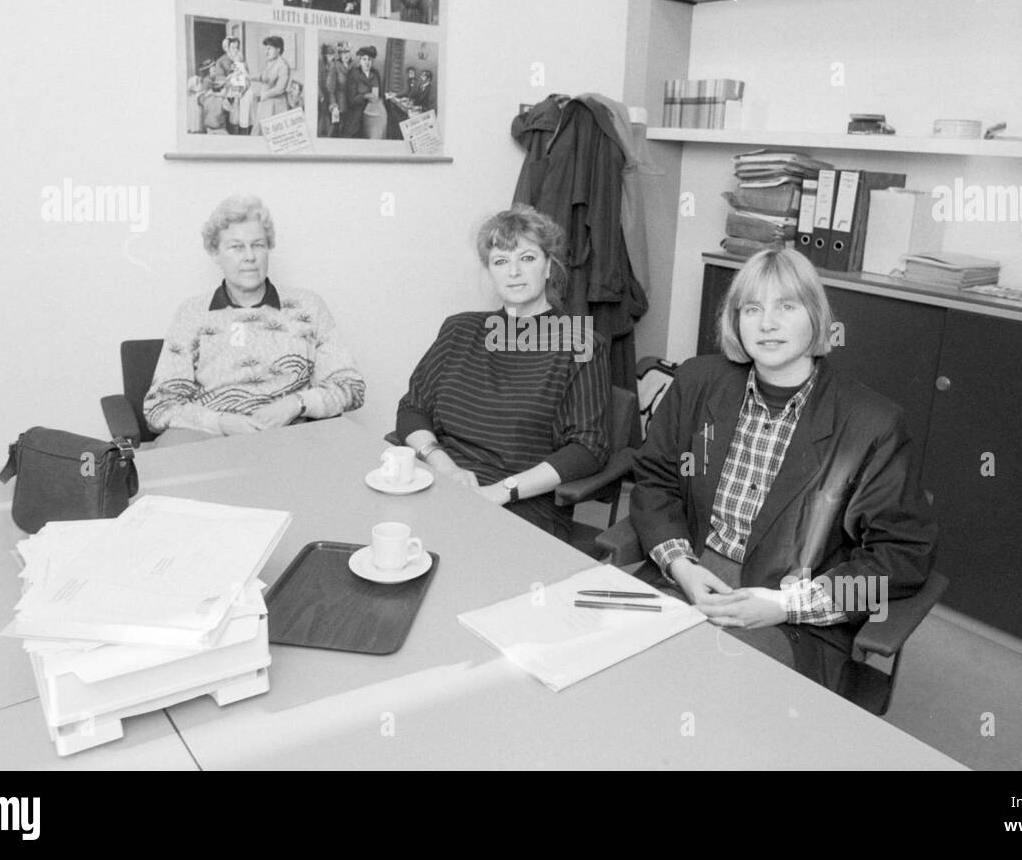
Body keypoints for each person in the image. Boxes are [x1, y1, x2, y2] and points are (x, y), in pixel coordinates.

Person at [630, 249, 937, 698]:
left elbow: (904, 558)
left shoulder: (872, 424)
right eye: (752, 309)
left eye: (786, 306)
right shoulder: (698, 381)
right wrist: (681, 566)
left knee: (720, 708)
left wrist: (787, 606)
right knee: (611, 674)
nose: (767, 323)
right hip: (688, 577)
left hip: (790, 617)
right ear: (736, 322)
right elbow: (655, 478)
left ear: (816, 316)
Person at [397, 206, 611, 543]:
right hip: (442, 483)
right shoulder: (459, 330)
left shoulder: (579, 343)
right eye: (500, 261)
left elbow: (588, 448)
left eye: (526, 258)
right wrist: (443, 464)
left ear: (549, 266)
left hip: (521, 502)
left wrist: (502, 491)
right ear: (490, 271)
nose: (513, 272)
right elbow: (412, 409)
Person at [145, 196, 365, 445]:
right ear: (216, 254)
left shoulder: (309, 306)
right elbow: (160, 407)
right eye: (236, 247)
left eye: (257, 245)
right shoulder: (191, 314)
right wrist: (222, 423)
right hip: (212, 440)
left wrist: (296, 404)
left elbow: (351, 387)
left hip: (294, 438)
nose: (249, 257)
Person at [341, 45, 382, 139]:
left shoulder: (375, 74)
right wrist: (365, 96)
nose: (367, 62)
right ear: (360, 60)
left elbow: (378, 92)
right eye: (364, 59)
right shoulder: (354, 74)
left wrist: (377, 97)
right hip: (356, 114)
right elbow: (351, 99)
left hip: (371, 112)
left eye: (370, 60)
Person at [250, 35, 289, 133]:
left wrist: (264, 95)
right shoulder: (271, 62)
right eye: (265, 49)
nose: (266, 52)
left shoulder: (283, 66)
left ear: (278, 50)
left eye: (269, 49)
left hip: (276, 105)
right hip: (266, 103)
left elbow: (280, 89)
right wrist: (249, 77)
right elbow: (264, 77)